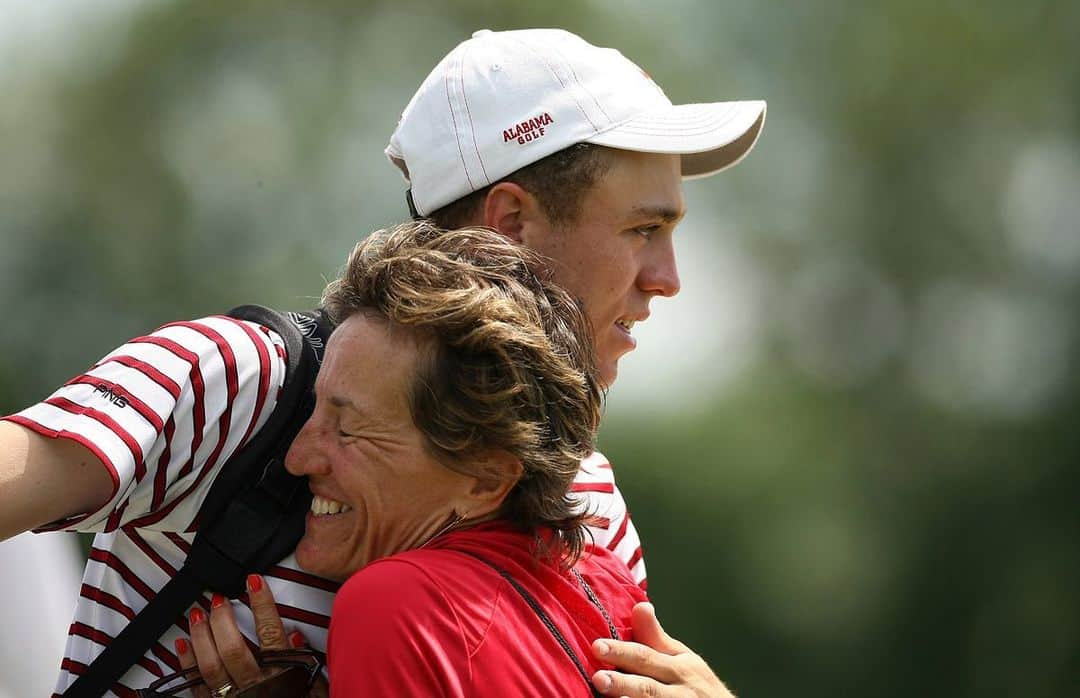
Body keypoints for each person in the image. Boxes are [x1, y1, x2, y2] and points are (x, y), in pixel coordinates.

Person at [0, 27, 763, 697]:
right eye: (641, 229)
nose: (668, 279)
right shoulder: (242, 378)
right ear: (510, 224)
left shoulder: (588, 495)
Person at [171, 221, 648, 697]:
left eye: (348, 427)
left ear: (486, 476)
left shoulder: (395, 606)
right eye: (312, 411)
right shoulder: (612, 586)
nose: (296, 459)